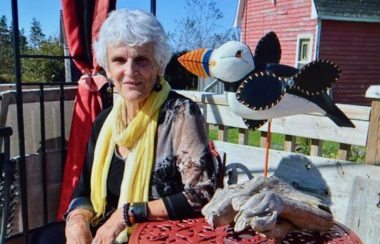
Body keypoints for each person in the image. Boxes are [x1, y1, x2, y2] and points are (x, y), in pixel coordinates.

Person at [31, 8, 217, 244]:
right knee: (45, 238)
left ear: (159, 65)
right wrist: (76, 219)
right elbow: (84, 188)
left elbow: (201, 194)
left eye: (141, 60)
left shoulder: (180, 114)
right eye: (119, 60)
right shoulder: (105, 121)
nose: (130, 71)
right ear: (108, 69)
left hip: (156, 234)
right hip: (104, 228)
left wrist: (127, 214)